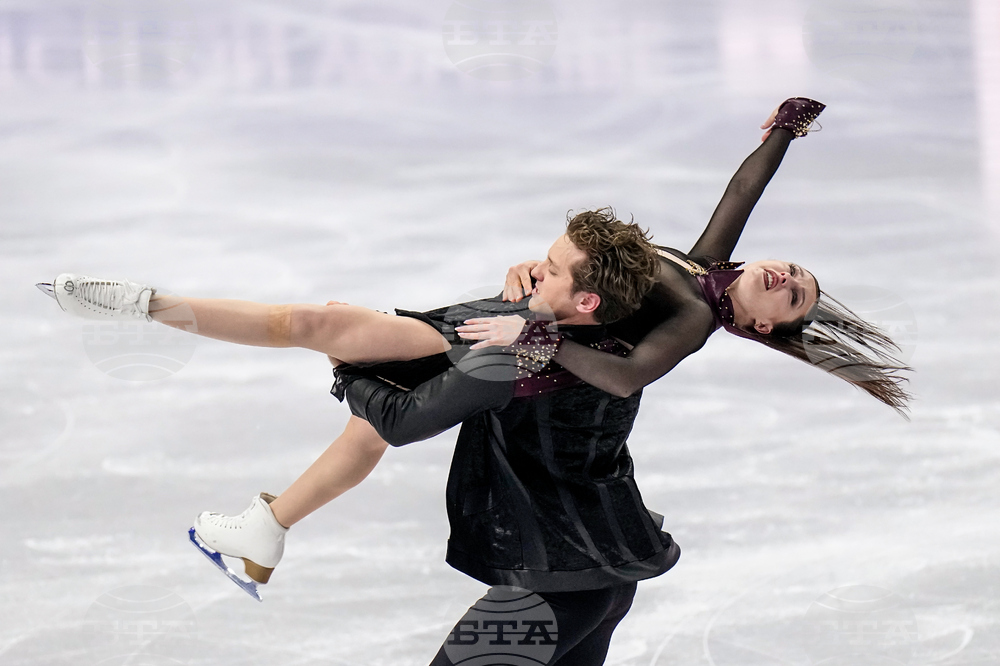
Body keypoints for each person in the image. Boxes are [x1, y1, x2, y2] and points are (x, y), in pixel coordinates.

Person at [38, 98, 910, 587]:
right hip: (505, 332)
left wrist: (531, 325)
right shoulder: (708, 259)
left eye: (794, 301)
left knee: (328, 336)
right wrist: (782, 135)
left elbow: (627, 373)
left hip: (503, 355)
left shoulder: (692, 317)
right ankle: (265, 527)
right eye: (796, 271)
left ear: (763, 324)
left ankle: (150, 307)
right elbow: (741, 190)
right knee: (358, 424)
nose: (790, 279)